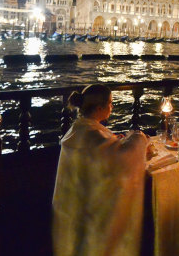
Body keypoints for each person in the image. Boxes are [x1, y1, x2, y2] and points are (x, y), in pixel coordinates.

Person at [52, 84, 149, 256]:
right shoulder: (93, 135)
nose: (112, 107)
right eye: (110, 103)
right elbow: (122, 160)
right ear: (99, 108)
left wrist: (113, 140)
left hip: (72, 208)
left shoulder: (78, 129)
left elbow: (103, 150)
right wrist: (139, 138)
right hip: (92, 215)